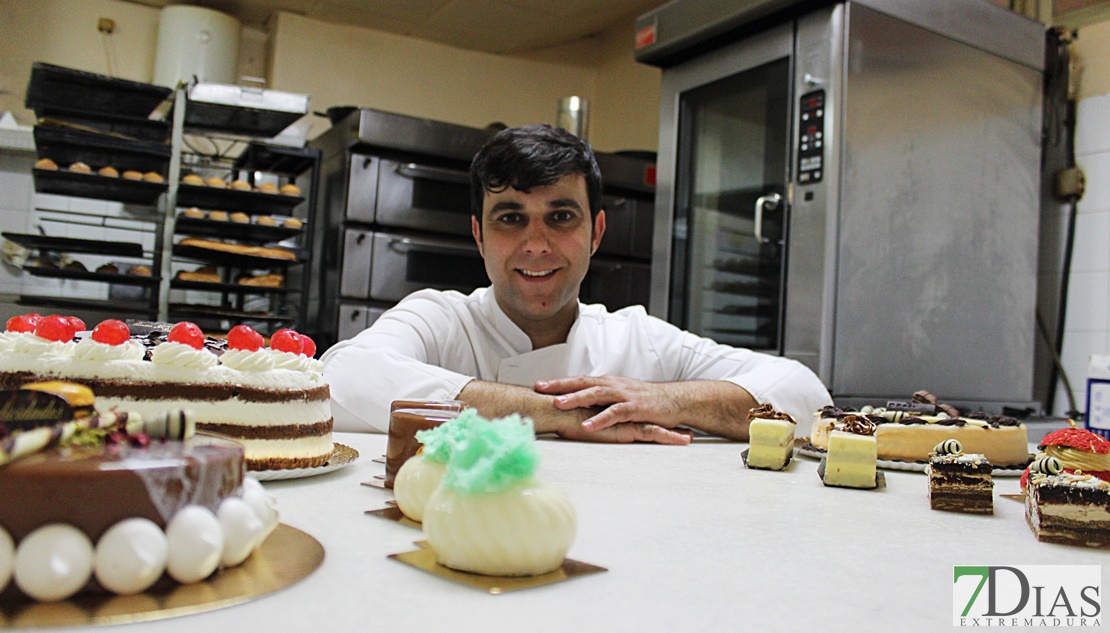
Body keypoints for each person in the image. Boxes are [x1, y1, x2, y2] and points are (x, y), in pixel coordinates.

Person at [321, 124, 831, 444]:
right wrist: (549, 413)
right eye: (510, 218)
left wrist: (668, 401)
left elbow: (805, 393)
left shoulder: (639, 342)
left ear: (596, 233)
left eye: (561, 216)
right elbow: (341, 376)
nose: (537, 244)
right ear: (479, 235)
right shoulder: (442, 319)